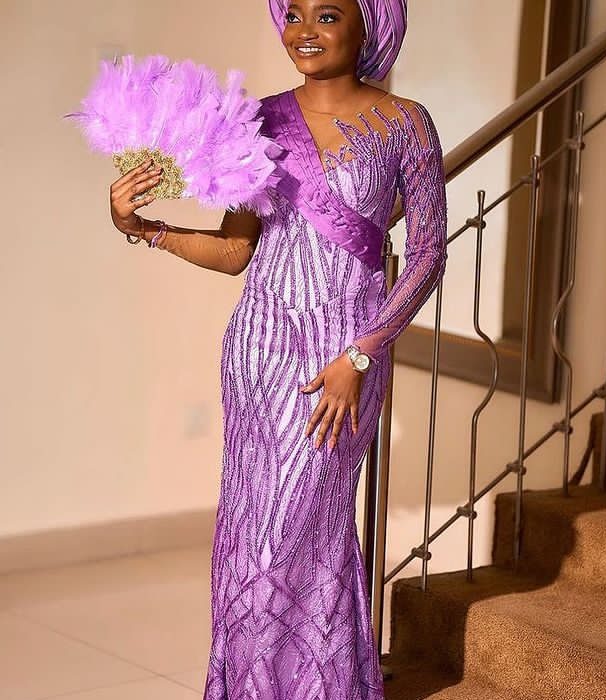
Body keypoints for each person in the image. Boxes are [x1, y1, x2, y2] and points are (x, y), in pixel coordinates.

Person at [108, 0, 447, 697]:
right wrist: (144, 227)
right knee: (251, 537)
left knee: (300, 533)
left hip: (342, 360)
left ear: (368, 25)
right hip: (259, 352)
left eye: (327, 15)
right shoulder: (258, 120)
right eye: (293, 14)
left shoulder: (405, 123)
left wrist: (361, 355)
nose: (304, 31)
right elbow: (236, 251)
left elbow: (426, 256)